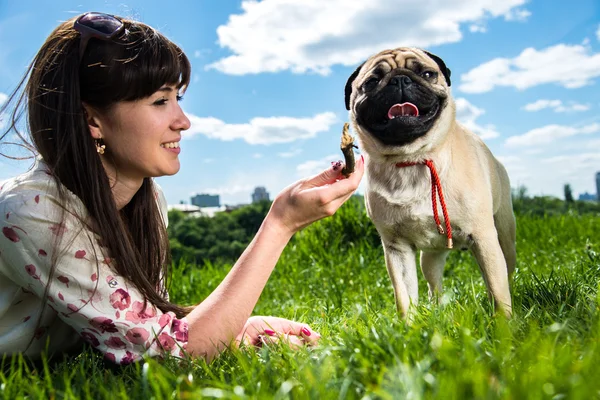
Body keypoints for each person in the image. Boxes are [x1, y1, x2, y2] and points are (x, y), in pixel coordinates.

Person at [0, 12, 364, 365]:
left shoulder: (148, 200)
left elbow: (153, 330)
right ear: (92, 120)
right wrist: (281, 222)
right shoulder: (32, 211)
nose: (183, 122)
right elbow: (174, 355)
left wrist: (240, 329)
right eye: (160, 101)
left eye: (178, 98)